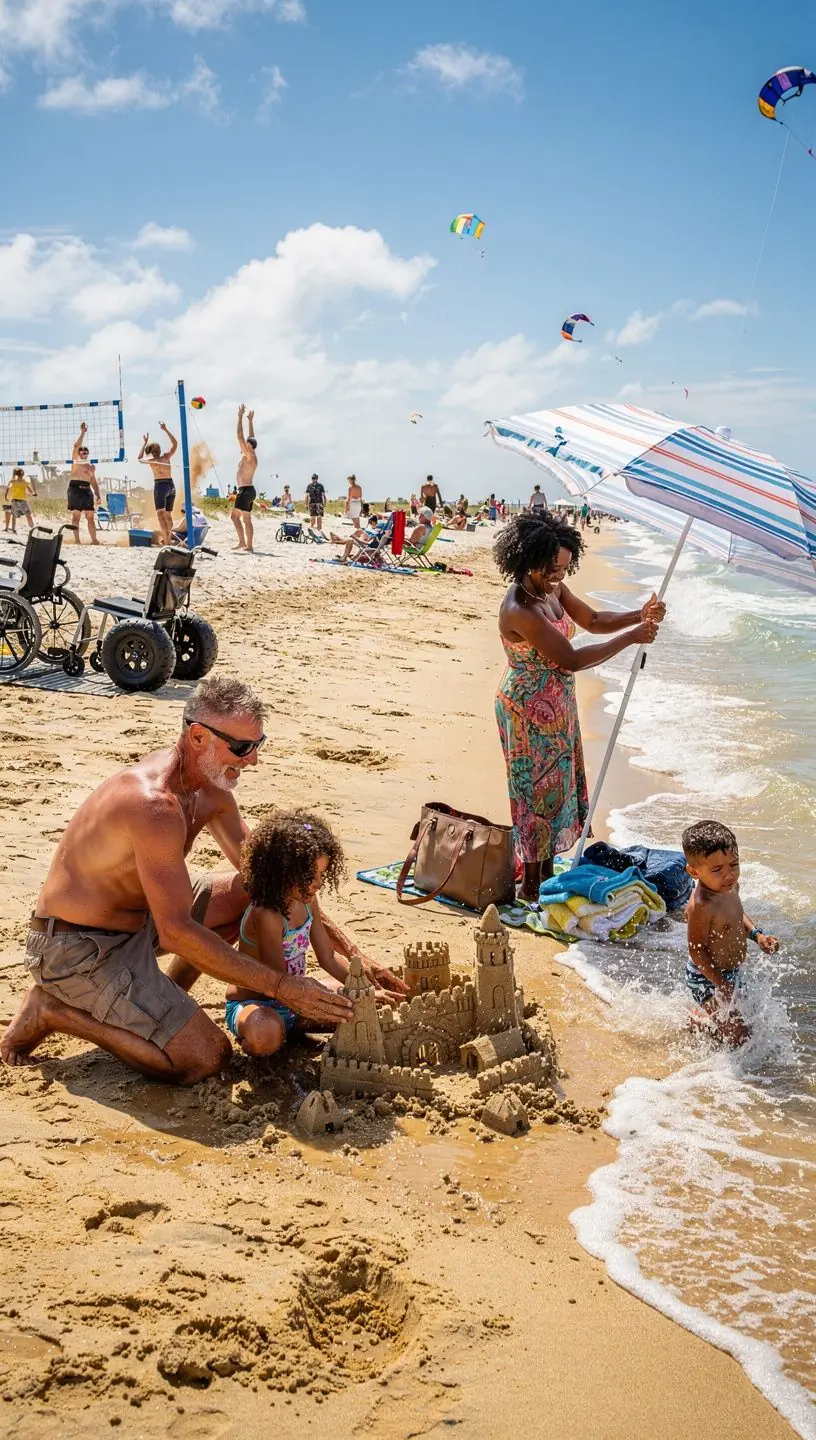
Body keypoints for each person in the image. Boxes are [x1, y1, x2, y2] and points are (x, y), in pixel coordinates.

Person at [1, 675, 406, 1081]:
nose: (253, 760)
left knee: (253, 888)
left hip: (140, 921)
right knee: (204, 1058)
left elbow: (275, 880)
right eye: (242, 748)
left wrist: (356, 957)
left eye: (257, 745)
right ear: (197, 737)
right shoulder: (153, 805)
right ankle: (53, 1011)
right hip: (79, 947)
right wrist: (283, 987)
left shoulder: (210, 789)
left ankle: (168, 998)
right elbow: (175, 931)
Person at [494, 513, 665, 902]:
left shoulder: (553, 591)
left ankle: (548, 872)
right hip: (524, 708)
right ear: (528, 559)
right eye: (553, 568)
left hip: (556, 703)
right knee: (533, 791)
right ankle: (532, 885)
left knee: (556, 786)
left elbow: (592, 619)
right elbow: (569, 659)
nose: (559, 575)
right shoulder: (520, 607)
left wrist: (639, 614)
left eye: (565, 568)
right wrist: (632, 637)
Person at [226, 810, 360, 1057]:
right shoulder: (267, 914)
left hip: (298, 1000)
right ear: (283, 872)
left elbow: (327, 958)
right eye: (311, 876)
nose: (318, 883)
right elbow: (277, 984)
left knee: (355, 1003)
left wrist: (364, 988)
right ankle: (256, 1042)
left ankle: (292, 1033)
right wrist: (319, 1007)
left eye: (322, 875)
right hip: (261, 1005)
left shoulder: (309, 901)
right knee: (265, 1033)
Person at [682, 821, 779, 1046]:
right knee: (739, 1036)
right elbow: (697, 952)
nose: (729, 875)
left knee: (751, 1022)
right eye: (717, 870)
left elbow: (737, 916)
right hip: (705, 977)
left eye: (733, 864)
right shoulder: (701, 906)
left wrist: (757, 935)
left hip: (731, 972)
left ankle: (704, 1020)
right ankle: (700, 1023)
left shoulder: (729, 886)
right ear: (694, 872)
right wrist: (721, 985)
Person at [138, 423, 178, 546]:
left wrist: (144, 443)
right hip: (171, 485)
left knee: (161, 515)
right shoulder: (166, 457)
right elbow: (175, 444)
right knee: (168, 515)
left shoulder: (152, 461)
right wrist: (166, 430)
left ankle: (166, 542)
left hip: (161, 486)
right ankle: (168, 538)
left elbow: (139, 459)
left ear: (149, 452)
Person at [67, 423, 101, 545]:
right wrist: (83, 432)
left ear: (87, 453)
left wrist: (98, 495)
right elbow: (76, 446)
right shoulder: (76, 462)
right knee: (76, 516)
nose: (83, 452)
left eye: (85, 451)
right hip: (75, 488)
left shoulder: (90, 467)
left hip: (87, 490)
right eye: (81, 451)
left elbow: (94, 482)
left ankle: (94, 540)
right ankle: (77, 540)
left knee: (90, 516)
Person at [232, 405, 258, 553]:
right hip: (249, 490)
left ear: (249, 446)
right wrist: (250, 421)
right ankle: (248, 546)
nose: (244, 444)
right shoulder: (251, 454)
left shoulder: (249, 456)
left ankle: (244, 543)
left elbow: (240, 436)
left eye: (246, 444)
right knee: (246, 519)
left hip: (245, 491)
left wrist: (240, 416)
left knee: (235, 517)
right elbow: (250, 438)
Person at [5, 468, 37, 533]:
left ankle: (13, 529)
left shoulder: (12, 481)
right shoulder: (25, 482)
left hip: (14, 501)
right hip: (22, 501)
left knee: (13, 515)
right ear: (23, 474)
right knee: (28, 515)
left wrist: (6, 496)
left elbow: (7, 489)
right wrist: (33, 494)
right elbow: (29, 489)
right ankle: (33, 529)